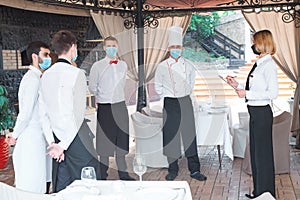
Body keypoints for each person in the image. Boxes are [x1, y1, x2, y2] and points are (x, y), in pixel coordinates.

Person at [40, 30, 101, 192]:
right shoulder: (77, 74)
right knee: (88, 183)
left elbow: (43, 113)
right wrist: (63, 145)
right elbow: (78, 115)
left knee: (62, 185)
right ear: (73, 47)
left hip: (55, 137)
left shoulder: (45, 75)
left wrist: (52, 143)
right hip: (76, 138)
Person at [226, 30, 278, 199]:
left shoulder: (269, 64)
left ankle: (266, 194)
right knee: (256, 154)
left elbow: (273, 93)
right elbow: (255, 87)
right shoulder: (260, 62)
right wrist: (236, 84)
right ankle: (259, 192)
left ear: (262, 43)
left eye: (254, 42)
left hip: (262, 113)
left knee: (263, 155)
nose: (253, 45)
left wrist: (247, 94)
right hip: (255, 112)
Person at [154, 26, 207, 181]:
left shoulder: (188, 65)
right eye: (173, 47)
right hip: (170, 102)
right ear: (169, 48)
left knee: (189, 135)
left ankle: (195, 170)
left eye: (178, 47)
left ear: (182, 48)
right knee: (171, 136)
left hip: (185, 101)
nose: (176, 50)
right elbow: (158, 85)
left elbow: (191, 83)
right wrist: (168, 94)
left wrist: (183, 94)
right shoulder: (162, 66)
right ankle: (172, 169)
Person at [6, 41, 52, 194]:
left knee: (40, 179)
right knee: (32, 182)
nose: (48, 58)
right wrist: (15, 135)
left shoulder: (38, 78)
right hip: (31, 138)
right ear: (34, 56)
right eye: (45, 55)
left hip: (38, 137)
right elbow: (25, 113)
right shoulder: (31, 79)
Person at [88, 36, 135, 180]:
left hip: (120, 105)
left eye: (114, 45)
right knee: (104, 142)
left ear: (118, 46)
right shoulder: (97, 66)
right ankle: (102, 174)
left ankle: (123, 173)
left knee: (121, 140)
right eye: (108, 45)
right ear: (104, 48)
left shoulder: (123, 65)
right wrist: (103, 97)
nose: (111, 48)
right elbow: (92, 87)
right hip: (105, 107)